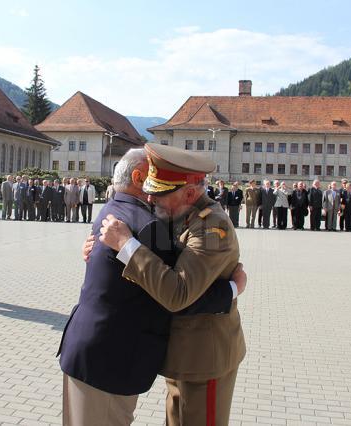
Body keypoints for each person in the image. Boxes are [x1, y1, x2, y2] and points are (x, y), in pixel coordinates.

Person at [59, 149, 246, 426]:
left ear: (190, 194)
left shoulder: (211, 227)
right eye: (150, 190)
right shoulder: (175, 214)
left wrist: (126, 246)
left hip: (205, 357)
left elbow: (178, 292)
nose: (149, 198)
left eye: (159, 193)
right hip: (179, 354)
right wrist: (100, 250)